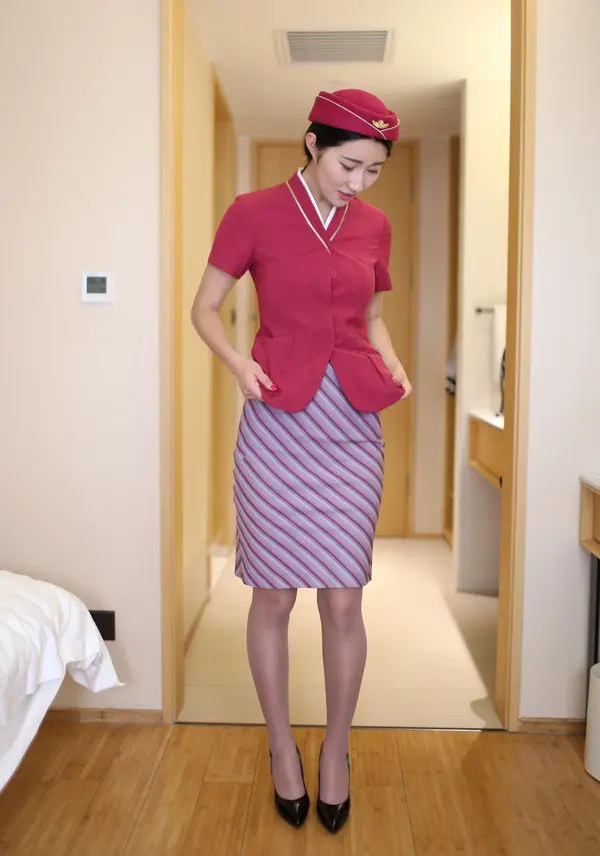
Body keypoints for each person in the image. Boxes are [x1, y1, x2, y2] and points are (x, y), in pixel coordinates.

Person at [191, 88, 412, 835]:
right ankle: (281, 743)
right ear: (313, 143)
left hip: (351, 423)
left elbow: (372, 318)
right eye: (350, 165)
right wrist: (237, 364)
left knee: (344, 599)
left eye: (374, 170)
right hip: (277, 419)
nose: (359, 182)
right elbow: (203, 308)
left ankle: (337, 749)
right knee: (274, 597)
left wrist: (393, 361)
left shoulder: (375, 225)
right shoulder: (253, 213)